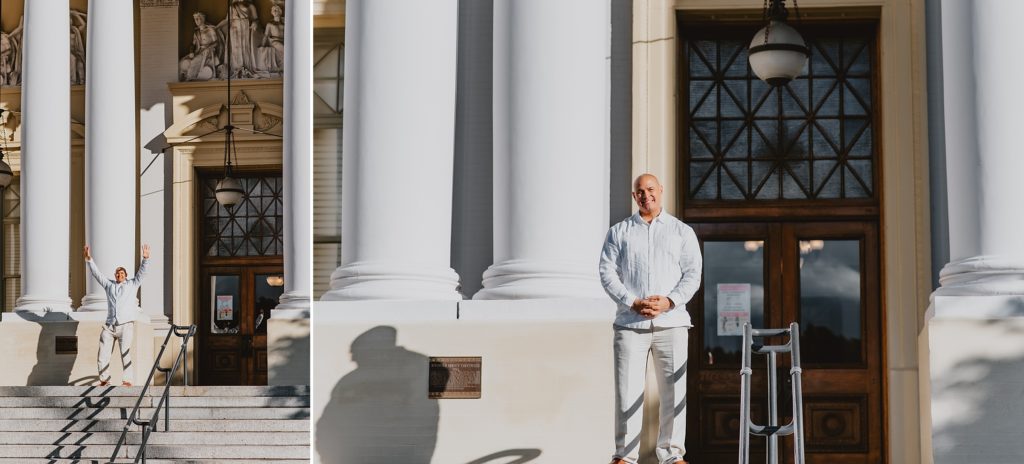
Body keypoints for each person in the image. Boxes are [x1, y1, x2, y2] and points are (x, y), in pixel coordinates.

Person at [599, 174, 702, 464]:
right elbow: (607, 272)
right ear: (634, 196)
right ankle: (624, 456)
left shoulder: (682, 232)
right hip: (630, 324)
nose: (646, 195)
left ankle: (672, 455)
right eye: (640, 192)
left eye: (651, 189)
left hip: (672, 322)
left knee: (674, 391)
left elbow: (693, 274)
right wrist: (631, 301)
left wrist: (669, 301)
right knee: (627, 391)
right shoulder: (618, 232)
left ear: (661, 191)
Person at [85, 244, 150, 387]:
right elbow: (97, 274)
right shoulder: (109, 285)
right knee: (103, 353)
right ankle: (104, 379)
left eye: (122, 273)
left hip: (125, 325)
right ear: (115, 275)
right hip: (109, 325)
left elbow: (142, 274)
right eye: (117, 273)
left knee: (125, 353)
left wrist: (145, 259)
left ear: (126, 275)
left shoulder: (132, 284)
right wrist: (89, 260)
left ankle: (128, 380)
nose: (119, 275)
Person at [179, 12, 224, 81]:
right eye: (195, 19)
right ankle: (186, 75)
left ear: (202, 19)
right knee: (183, 61)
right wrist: (191, 52)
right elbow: (193, 44)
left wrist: (209, 48)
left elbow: (216, 42)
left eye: (198, 18)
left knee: (195, 62)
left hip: (208, 51)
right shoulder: (196, 32)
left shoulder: (210, 29)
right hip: (199, 51)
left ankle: (190, 77)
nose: (196, 21)